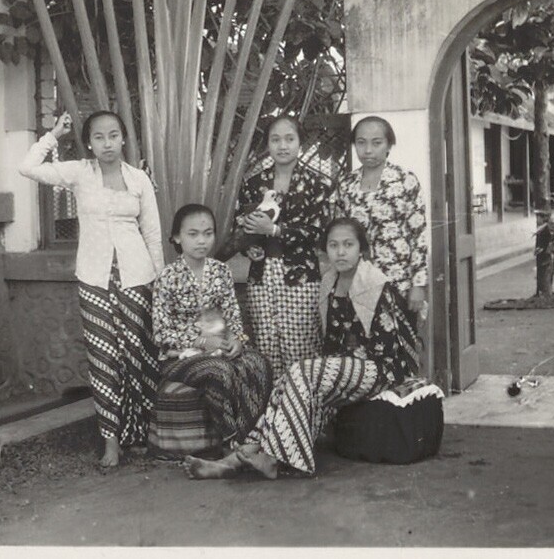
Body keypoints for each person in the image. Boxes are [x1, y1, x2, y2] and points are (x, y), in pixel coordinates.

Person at [183, 217, 420, 479]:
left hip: (380, 369)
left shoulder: (375, 284)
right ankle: (237, 458)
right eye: (333, 245)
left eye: (348, 245)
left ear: (361, 249)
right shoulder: (330, 282)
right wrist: (329, 372)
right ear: (326, 250)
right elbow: (331, 343)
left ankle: (275, 459)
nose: (341, 252)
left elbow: (387, 350)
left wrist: (332, 369)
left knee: (303, 371)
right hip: (347, 369)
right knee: (289, 378)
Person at [19, 110, 163, 467]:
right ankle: (111, 442)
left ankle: (140, 435)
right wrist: (54, 135)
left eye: (113, 135)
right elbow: (27, 167)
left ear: (123, 138)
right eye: (99, 137)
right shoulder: (80, 173)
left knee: (139, 358)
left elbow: (153, 234)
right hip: (95, 281)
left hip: (137, 279)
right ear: (89, 143)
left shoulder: (138, 179)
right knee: (103, 360)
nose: (107, 143)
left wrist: (159, 284)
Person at [151, 204, 272, 448]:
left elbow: (233, 316)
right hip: (179, 357)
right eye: (193, 234)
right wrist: (202, 341)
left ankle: (251, 440)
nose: (201, 241)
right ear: (177, 237)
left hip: (220, 348)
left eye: (208, 233)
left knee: (258, 363)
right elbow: (161, 333)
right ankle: (231, 443)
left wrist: (237, 340)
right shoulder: (168, 276)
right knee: (220, 371)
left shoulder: (221, 271)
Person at [235, 115, 330, 375]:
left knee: (302, 352)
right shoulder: (254, 184)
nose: (283, 145)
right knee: (266, 348)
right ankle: (272, 401)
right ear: (268, 144)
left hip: (300, 277)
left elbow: (319, 232)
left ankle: (304, 401)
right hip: (261, 277)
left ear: (300, 143)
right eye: (275, 139)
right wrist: (249, 247)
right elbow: (241, 224)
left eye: (290, 139)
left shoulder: (317, 184)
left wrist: (275, 230)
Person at [329, 115, 428, 316]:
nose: (368, 150)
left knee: (397, 335)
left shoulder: (405, 180)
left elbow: (419, 236)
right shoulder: (346, 184)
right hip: (356, 282)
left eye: (376, 143)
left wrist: (418, 284)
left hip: (397, 281)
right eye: (361, 143)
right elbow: (338, 234)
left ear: (389, 145)